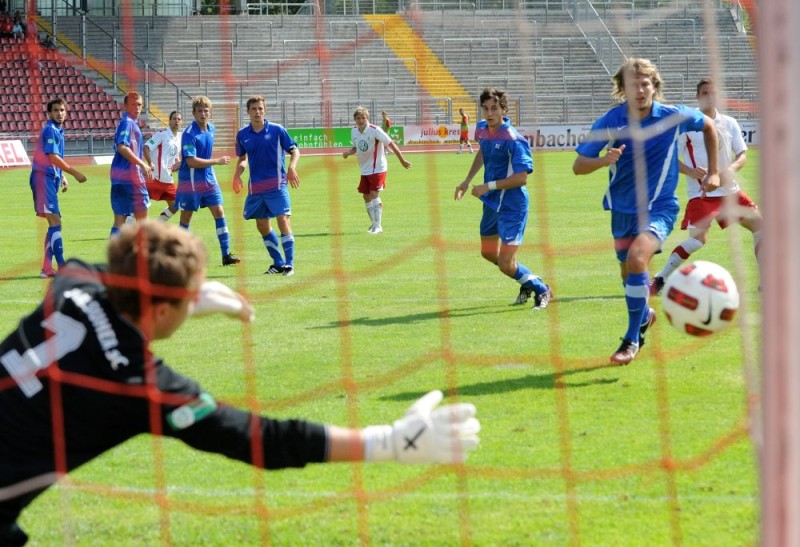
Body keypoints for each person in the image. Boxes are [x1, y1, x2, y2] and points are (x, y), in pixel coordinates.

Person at [0, 221, 480, 546]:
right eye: (186, 300)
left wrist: (188, 296)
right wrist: (388, 442)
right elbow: (258, 439)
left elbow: (104, 277)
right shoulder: (136, 382)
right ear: (163, 309)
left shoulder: (70, 284)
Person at [572, 58, 720, 365]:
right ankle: (644, 316)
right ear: (622, 89)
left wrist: (714, 172)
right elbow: (578, 166)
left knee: (639, 257)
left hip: (660, 208)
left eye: (645, 83)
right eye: (632, 84)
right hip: (622, 211)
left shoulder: (673, 115)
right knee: (628, 274)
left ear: (654, 86)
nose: (639, 90)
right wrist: (603, 159)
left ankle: (631, 339)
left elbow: (709, 126)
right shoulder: (610, 121)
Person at [651, 77, 762, 293]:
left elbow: (742, 155)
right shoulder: (687, 126)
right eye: (705, 93)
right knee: (697, 241)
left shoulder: (729, 122)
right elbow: (670, 158)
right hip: (702, 194)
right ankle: (660, 278)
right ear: (697, 97)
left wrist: (731, 170)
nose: (710, 97)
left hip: (730, 192)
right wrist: (691, 171)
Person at [454, 87, 553, 310]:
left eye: (494, 109)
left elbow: (521, 178)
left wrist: (486, 186)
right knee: (488, 253)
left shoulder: (513, 139)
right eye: (485, 109)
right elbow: (483, 152)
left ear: (504, 110)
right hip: (491, 202)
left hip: (512, 205)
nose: (489, 113)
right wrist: (467, 180)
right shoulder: (481, 129)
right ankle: (525, 280)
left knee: (506, 264)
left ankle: (542, 289)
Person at [232, 96, 299, 275]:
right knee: (262, 225)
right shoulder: (243, 134)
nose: (257, 112)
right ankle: (277, 263)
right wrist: (237, 176)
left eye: (260, 108)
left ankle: (289, 264)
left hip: (277, 185)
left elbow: (294, 150)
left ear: (265, 110)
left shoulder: (278, 130)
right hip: (256, 189)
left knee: (283, 220)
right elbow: (242, 158)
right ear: (248, 112)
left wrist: (292, 167)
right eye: (253, 109)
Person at [175, 96, 240, 266]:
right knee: (186, 217)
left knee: (219, 212)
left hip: (209, 180)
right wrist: (215, 162)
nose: (203, 114)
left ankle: (226, 255)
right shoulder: (189, 134)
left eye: (206, 111)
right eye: (199, 111)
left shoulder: (211, 128)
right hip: (191, 182)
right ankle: (179, 256)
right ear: (193, 113)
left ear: (210, 112)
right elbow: (191, 161)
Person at [29, 98, 87, 278]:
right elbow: (53, 156)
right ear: (50, 113)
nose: (60, 113)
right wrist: (73, 172)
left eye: (62, 110)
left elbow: (51, 158)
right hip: (42, 179)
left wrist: (61, 176)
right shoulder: (50, 130)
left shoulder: (58, 131)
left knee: (54, 223)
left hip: (49, 178)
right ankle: (62, 266)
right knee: (56, 223)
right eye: (56, 110)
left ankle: (47, 268)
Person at [342, 106, 412, 234]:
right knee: (366, 196)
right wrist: (349, 152)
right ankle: (374, 224)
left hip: (378, 167)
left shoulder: (375, 130)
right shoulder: (354, 131)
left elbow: (391, 143)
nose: (361, 120)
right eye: (358, 118)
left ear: (367, 118)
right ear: (355, 120)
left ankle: (378, 226)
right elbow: (356, 147)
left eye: (363, 117)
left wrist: (402, 160)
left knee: (374, 194)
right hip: (365, 169)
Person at [109, 92, 152, 236]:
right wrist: (142, 164)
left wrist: (143, 163)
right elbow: (122, 147)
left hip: (118, 178)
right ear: (125, 106)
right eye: (133, 104)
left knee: (119, 221)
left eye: (139, 104)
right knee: (143, 221)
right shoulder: (128, 123)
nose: (137, 107)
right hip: (132, 178)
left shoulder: (126, 122)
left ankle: (114, 256)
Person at [143, 110, 182, 222]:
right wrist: (150, 162)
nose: (176, 121)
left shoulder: (179, 138)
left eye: (179, 119)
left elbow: (174, 155)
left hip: (168, 180)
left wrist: (177, 163)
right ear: (169, 121)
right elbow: (146, 147)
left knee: (175, 205)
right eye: (174, 119)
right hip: (154, 178)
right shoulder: (162, 135)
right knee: (140, 205)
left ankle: (156, 226)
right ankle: (126, 227)